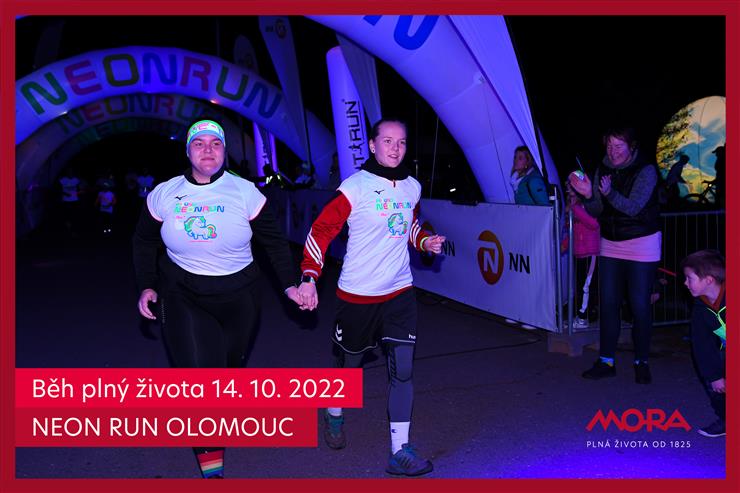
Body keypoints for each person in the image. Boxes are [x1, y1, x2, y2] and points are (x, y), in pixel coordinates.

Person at [132, 119, 304, 479]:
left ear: (225, 151)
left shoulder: (245, 192)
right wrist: (147, 285)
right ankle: (213, 473)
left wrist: (291, 285)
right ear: (187, 150)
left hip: (240, 297)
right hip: (182, 294)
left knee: (225, 377)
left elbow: (274, 243)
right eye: (199, 143)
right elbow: (144, 241)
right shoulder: (165, 193)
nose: (207, 150)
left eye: (215, 143)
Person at [297, 118, 445, 477]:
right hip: (358, 294)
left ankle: (399, 450)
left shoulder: (411, 187)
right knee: (349, 368)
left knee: (403, 370)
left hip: (399, 292)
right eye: (388, 141)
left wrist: (425, 241)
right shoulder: (356, 187)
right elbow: (321, 230)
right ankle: (333, 411)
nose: (395, 148)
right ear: (373, 145)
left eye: (402, 142)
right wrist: (309, 278)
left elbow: (408, 225)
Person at [570, 127, 661, 384]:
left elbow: (633, 208)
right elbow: (597, 210)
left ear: (632, 147)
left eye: (619, 146)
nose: (613, 151)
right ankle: (606, 361)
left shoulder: (646, 170)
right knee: (608, 303)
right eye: (609, 146)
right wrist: (589, 195)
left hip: (642, 242)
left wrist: (609, 193)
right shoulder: (603, 168)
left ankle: (641, 361)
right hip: (610, 242)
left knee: (639, 305)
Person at [681, 250, 726, 438]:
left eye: (689, 278)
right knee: (711, 375)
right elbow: (702, 344)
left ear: (708, 280)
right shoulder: (701, 307)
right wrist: (715, 376)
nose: (685, 283)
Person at [564, 178, 600, 328]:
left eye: (571, 184)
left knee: (586, 286)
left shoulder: (586, 204)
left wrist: (575, 209)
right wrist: (563, 245)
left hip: (590, 252)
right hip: (578, 252)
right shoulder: (571, 205)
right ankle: (578, 315)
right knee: (579, 286)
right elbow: (571, 231)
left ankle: (583, 318)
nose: (568, 186)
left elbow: (594, 224)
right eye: (567, 184)